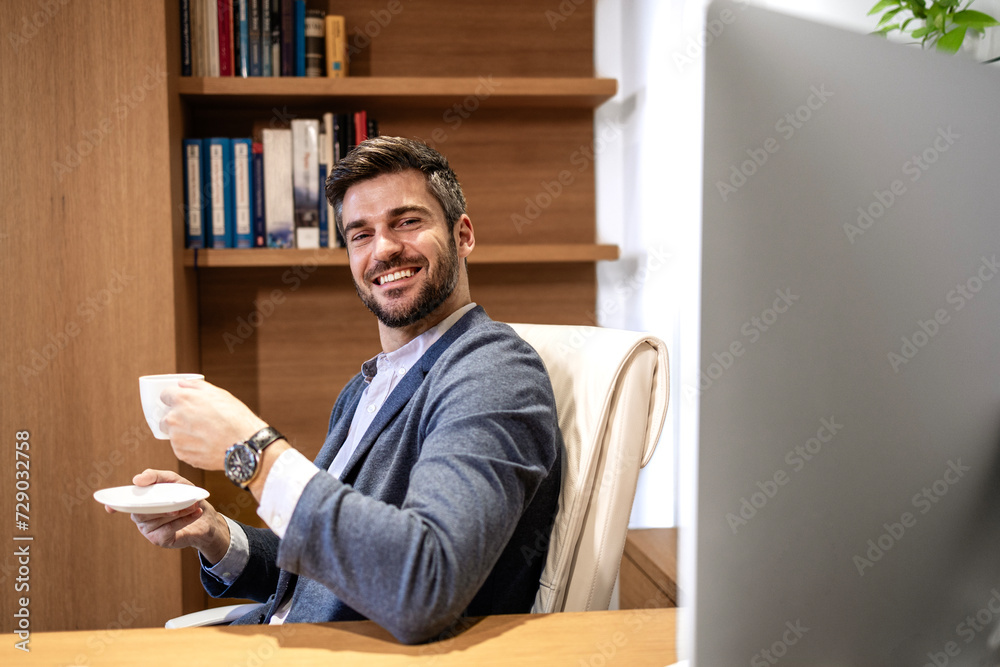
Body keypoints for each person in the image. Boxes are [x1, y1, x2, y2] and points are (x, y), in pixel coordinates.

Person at [112, 136, 562, 644]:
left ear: (463, 235)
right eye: (360, 234)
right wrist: (216, 534)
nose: (384, 249)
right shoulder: (365, 387)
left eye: (407, 222)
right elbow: (331, 570)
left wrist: (253, 453)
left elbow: (424, 584)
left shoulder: (493, 372)